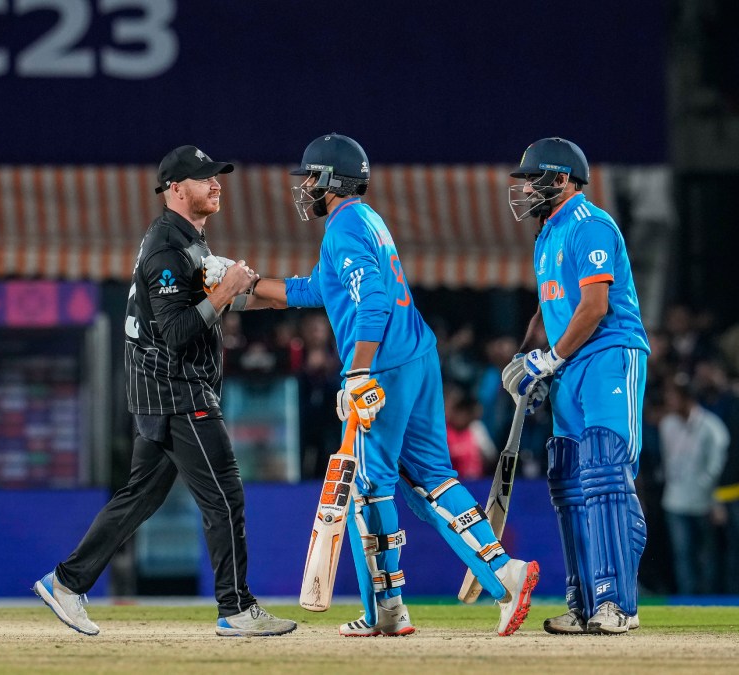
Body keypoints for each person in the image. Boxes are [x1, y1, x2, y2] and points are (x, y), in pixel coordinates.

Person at [243, 133, 540, 637]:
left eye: (311, 177)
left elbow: (373, 304)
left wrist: (357, 371)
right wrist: (246, 287)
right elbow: (317, 289)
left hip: (382, 367)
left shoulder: (343, 228)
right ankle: (504, 572)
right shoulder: (365, 219)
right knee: (434, 479)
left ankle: (387, 609)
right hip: (417, 356)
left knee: (369, 489)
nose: (306, 187)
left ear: (332, 179)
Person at [33, 145, 296, 638]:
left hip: (163, 389)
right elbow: (176, 331)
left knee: (140, 497)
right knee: (224, 496)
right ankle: (236, 608)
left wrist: (284, 296)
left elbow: (215, 303)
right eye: (203, 178)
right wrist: (227, 289)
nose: (216, 184)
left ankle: (66, 583)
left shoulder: (184, 240)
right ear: (175, 189)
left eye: (216, 176)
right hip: (178, 391)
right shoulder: (168, 248)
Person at [500, 137, 650, 634]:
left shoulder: (590, 225)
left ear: (561, 179)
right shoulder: (548, 234)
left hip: (609, 355)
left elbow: (594, 306)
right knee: (567, 480)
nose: (525, 188)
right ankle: (584, 602)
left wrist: (549, 359)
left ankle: (617, 604)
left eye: (532, 178)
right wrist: (525, 358)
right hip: (570, 364)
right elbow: (550, 308)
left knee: (605, 472)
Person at [659, 374, 729, 594]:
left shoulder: (711, 427)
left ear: (686, 397)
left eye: (673, 396)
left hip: (703, 502)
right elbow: (666, 460)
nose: (669, 400)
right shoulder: (667, 425)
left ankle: (708, 599)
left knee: (706, 555)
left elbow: (716, 468)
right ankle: (686, 598)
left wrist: (713, 498)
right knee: (683, 554)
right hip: (675, 500)